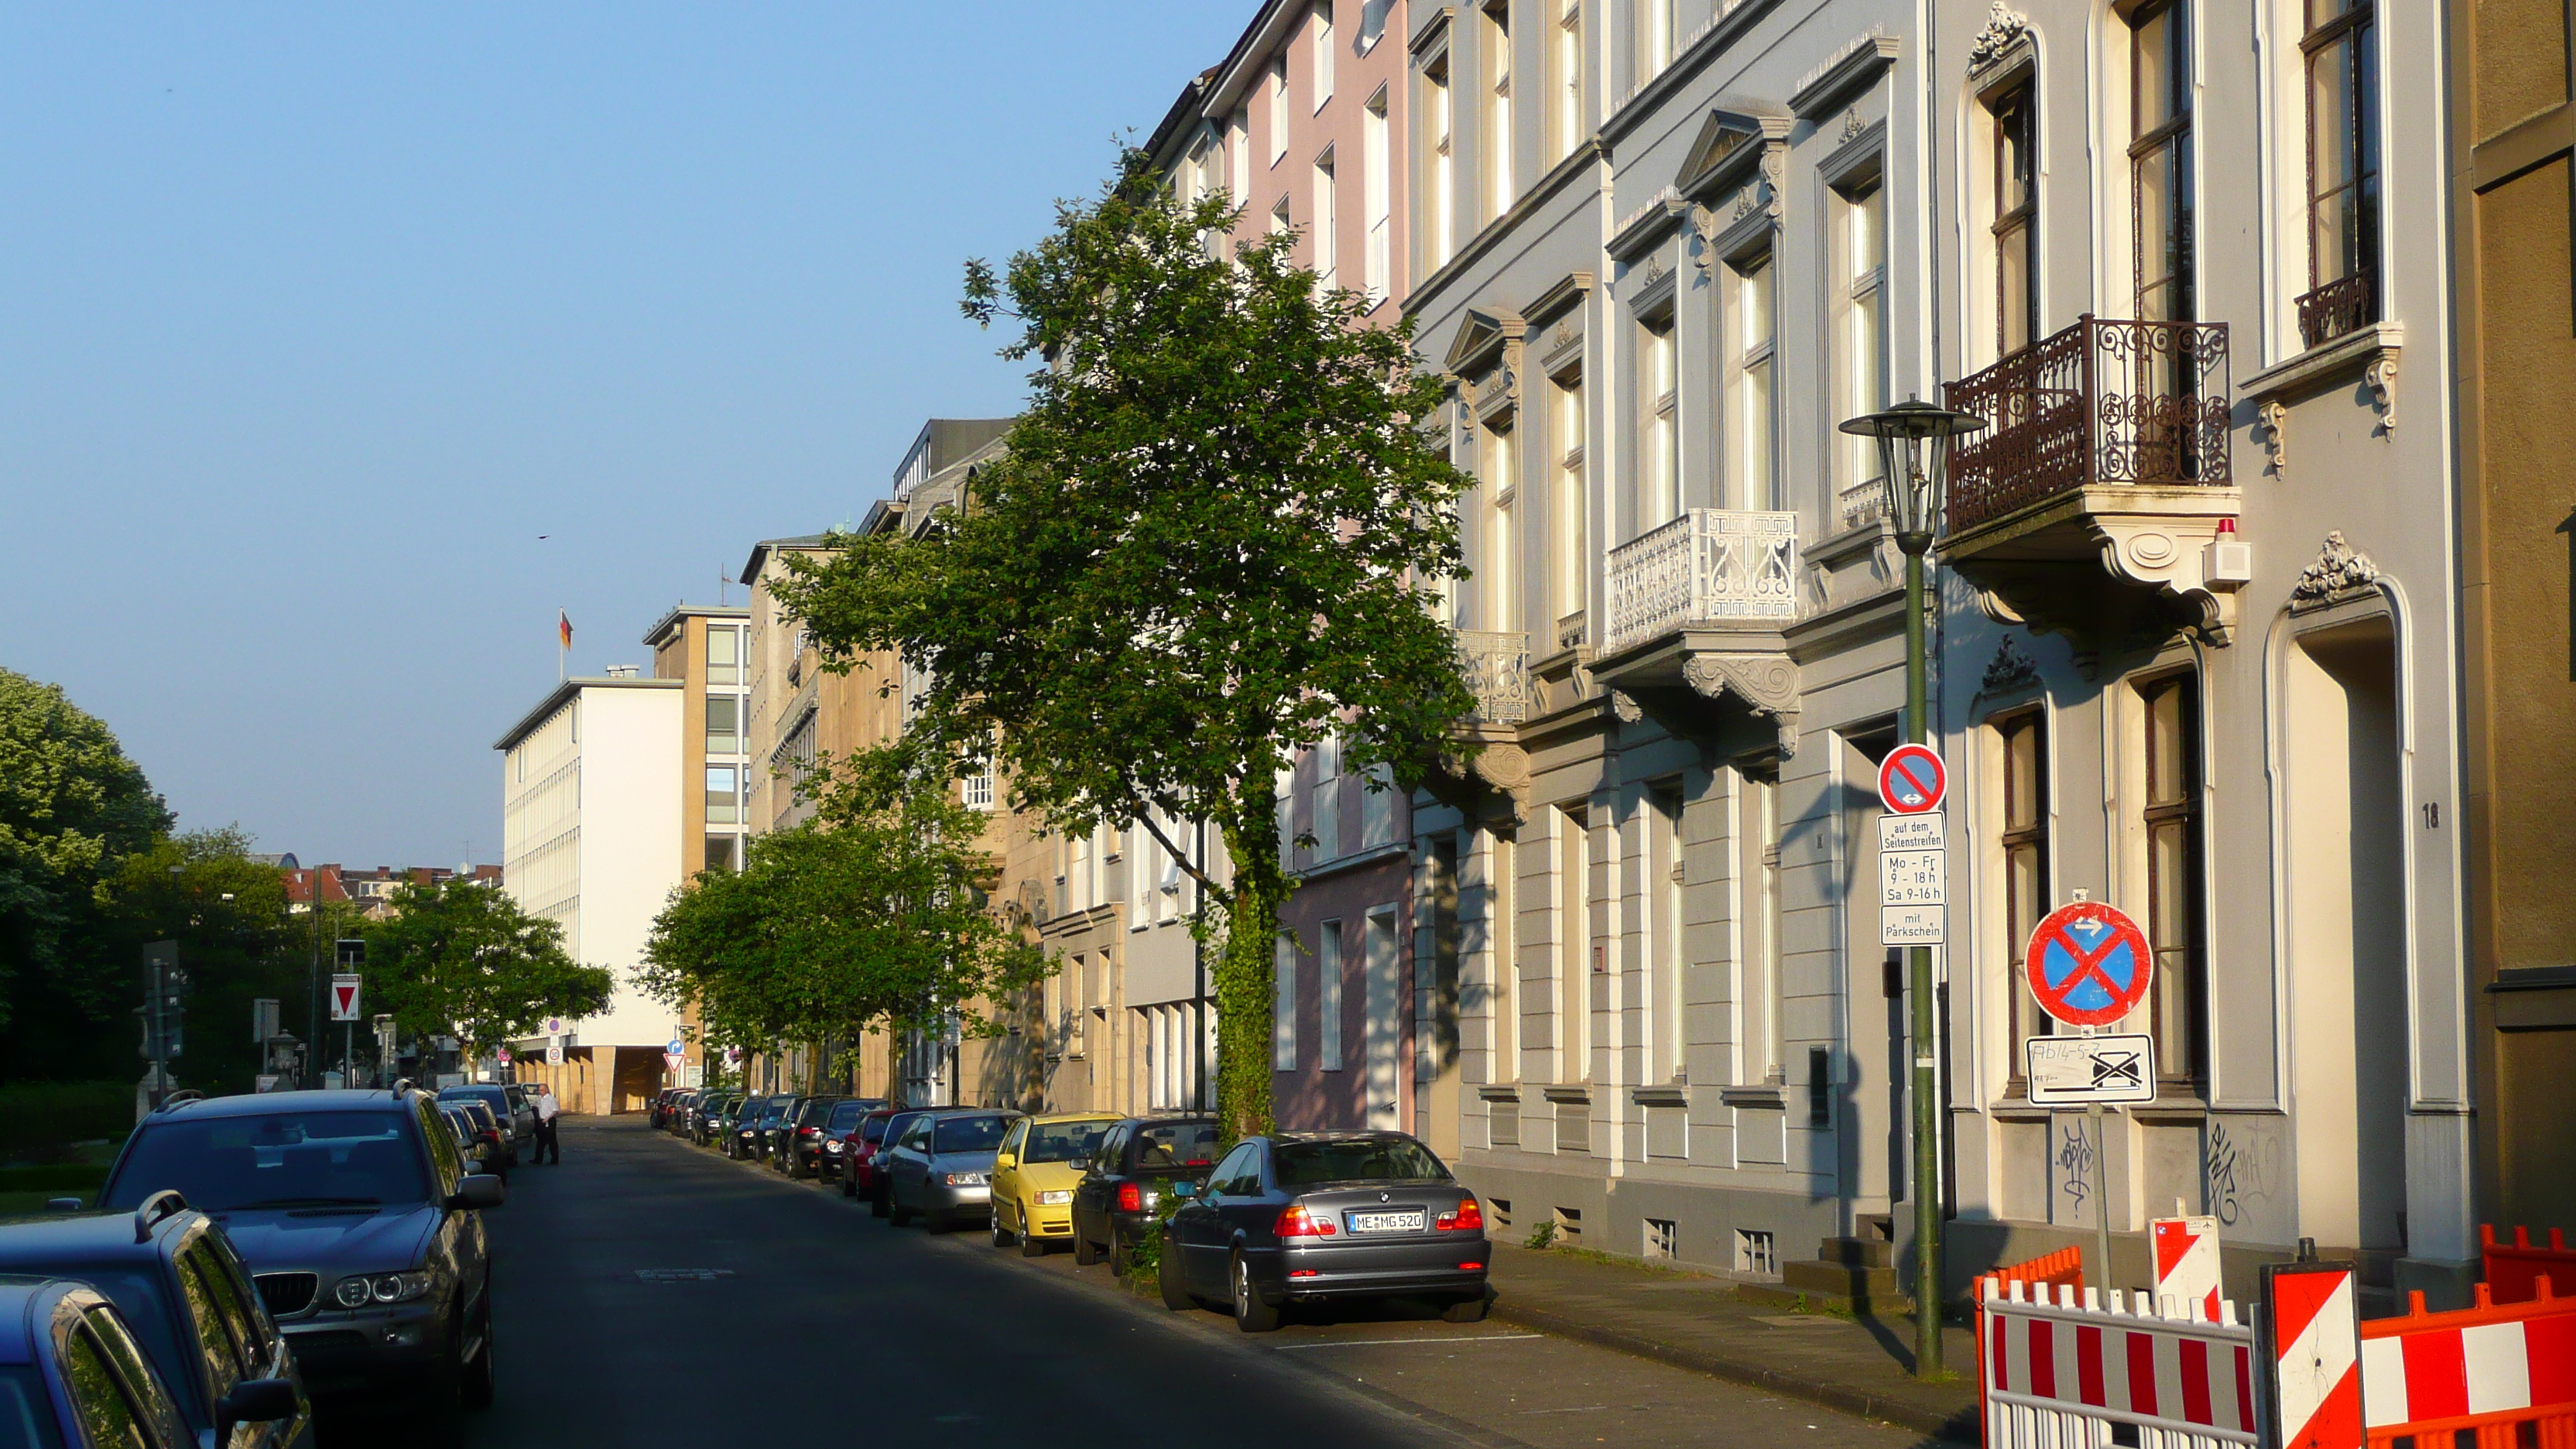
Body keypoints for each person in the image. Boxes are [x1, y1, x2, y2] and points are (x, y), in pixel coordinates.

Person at [531, 1083, 561, 1164]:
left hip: (549, 1121)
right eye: (540, 1090)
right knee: (541, 1141)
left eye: (542, 1090)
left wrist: (548, 1118)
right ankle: (538, 1159)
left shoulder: (550, 1099)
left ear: (547, 1090)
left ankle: (555, 1159)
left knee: (552, 1141)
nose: (540, 1092)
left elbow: (555, 1111)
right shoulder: (542, 1099)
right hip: (542, 1121)